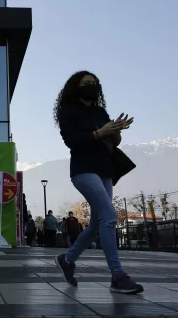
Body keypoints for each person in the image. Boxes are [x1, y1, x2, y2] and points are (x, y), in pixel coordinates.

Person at [52, 70, 143, 294]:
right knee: (110, 216)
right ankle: (117, 275)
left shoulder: (100, 111)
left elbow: (113, 140)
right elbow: (72, 141)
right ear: (76, 87)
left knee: (95, 226)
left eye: (94, 83)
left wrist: (115, 131)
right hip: (83, 170)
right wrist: (99, 132)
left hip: (105, 169)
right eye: (86, 83)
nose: (91, 86)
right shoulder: (68, 111)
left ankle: (67, 259)